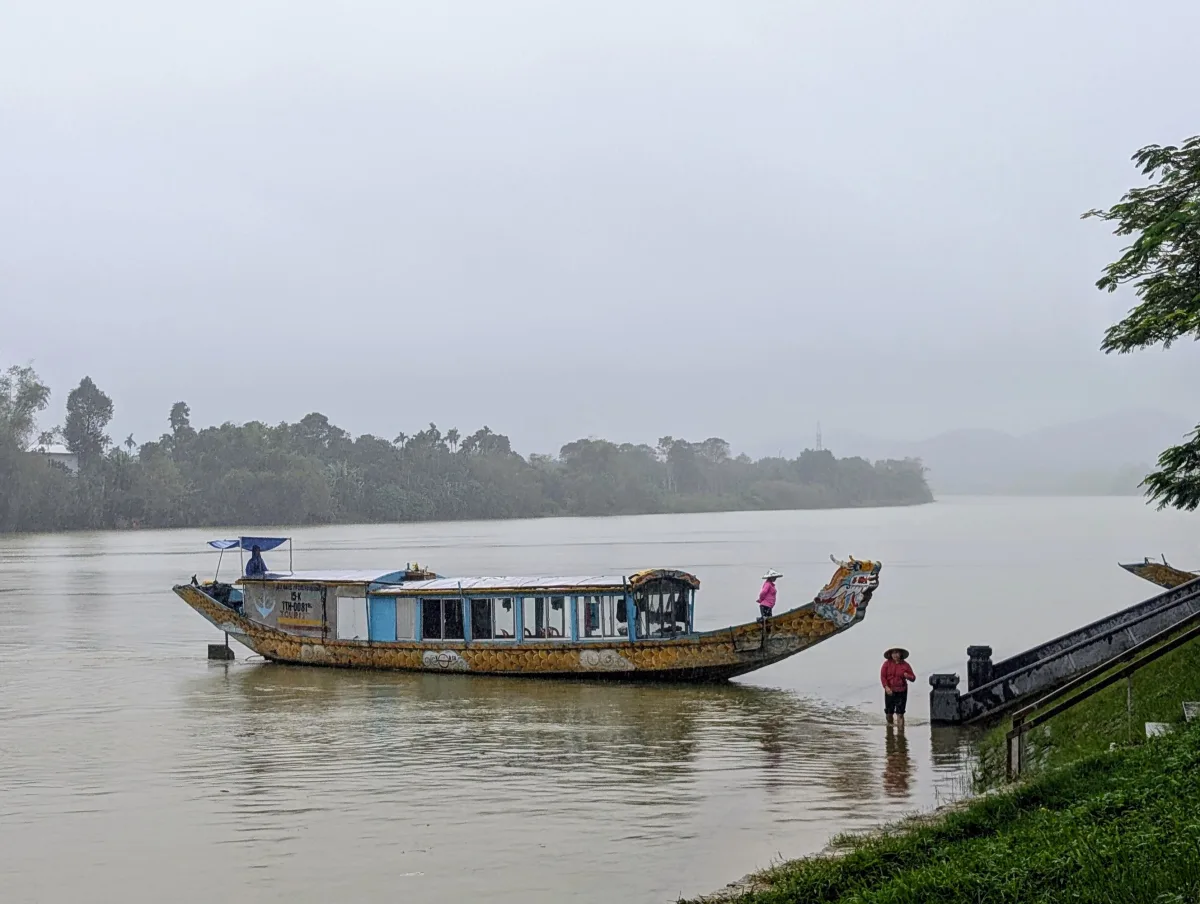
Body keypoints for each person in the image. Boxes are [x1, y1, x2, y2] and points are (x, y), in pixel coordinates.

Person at [881, 647, 916, 727]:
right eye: (893, 653)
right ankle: (890, 729)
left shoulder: (905, 665)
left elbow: (913, 678)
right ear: (890, 654)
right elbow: (883, 677)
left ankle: (901, 733)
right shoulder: (887, 664)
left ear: (901, 654)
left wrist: (908, 676)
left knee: (900, 714)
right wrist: (886, 687)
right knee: (889, 714)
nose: (895, 655)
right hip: (890, 691)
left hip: (902, 691)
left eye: (897, 653)